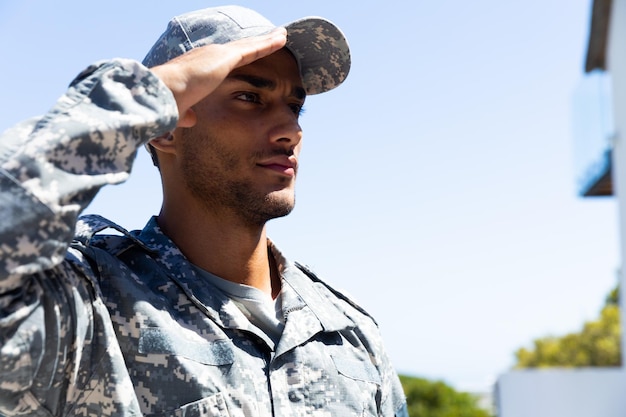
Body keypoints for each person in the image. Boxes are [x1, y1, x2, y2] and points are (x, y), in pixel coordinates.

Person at [0, 5, 407, 417]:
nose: (291, 131)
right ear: (166, 127)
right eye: (250, 97)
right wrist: (150, 91)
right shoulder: (88, 305)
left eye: (294, 106)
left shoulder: (348, 335)